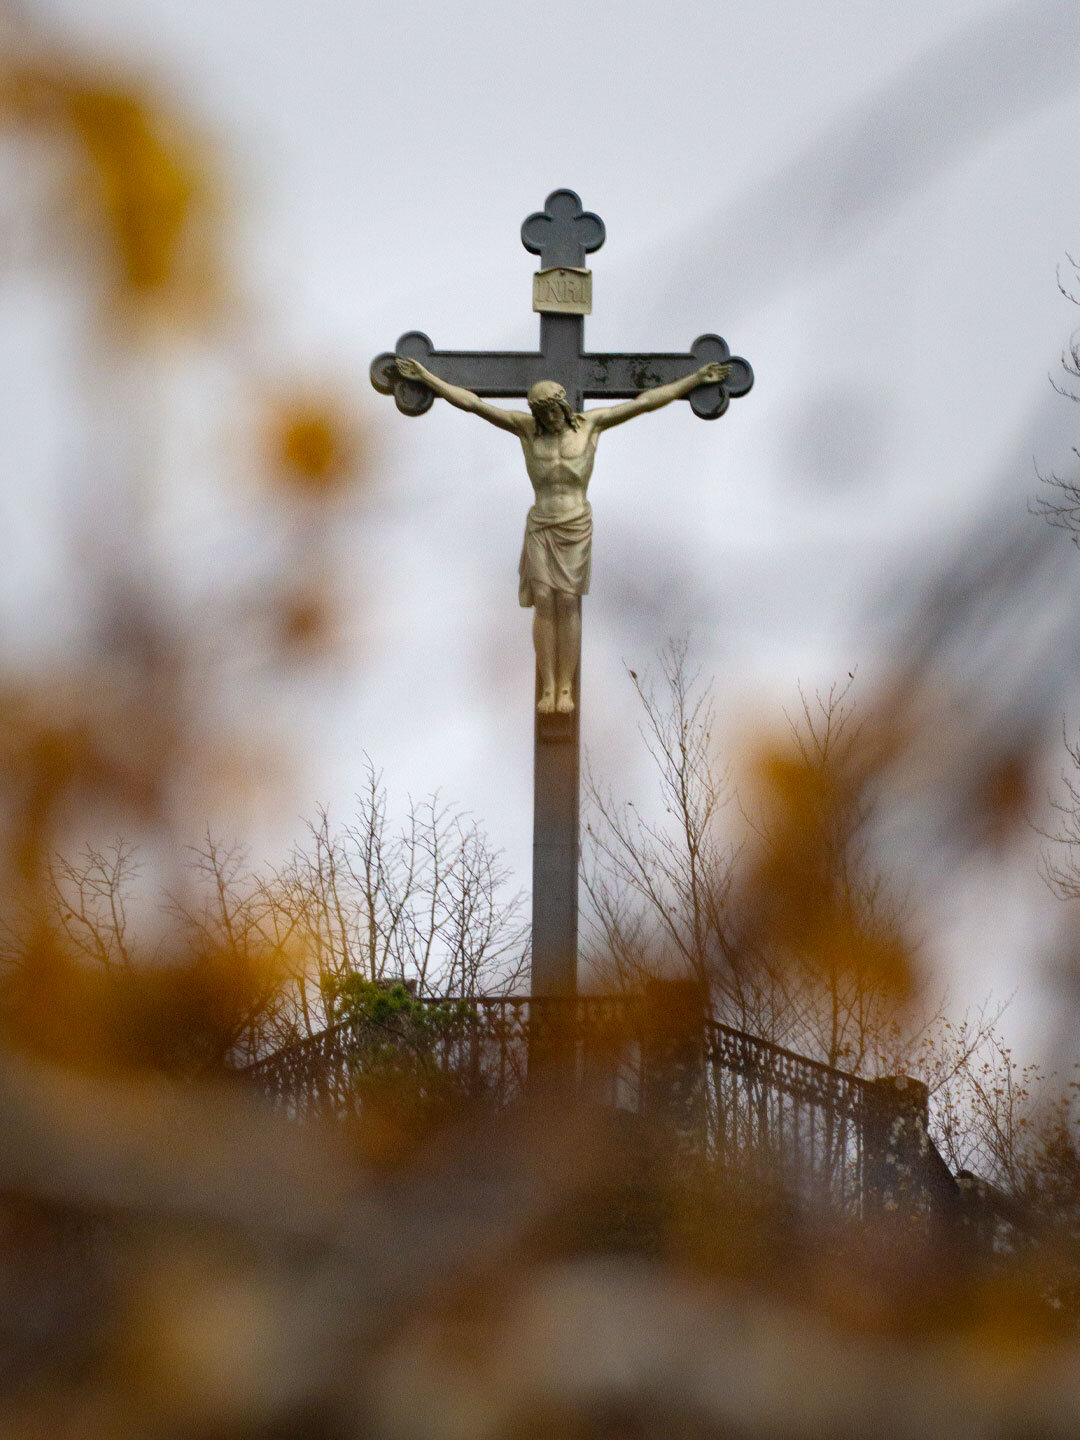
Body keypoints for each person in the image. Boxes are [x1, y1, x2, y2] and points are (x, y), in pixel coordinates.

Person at [394, 357, 728, 714]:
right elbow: (474, 404)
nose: (549, 419)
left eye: (553, 411)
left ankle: (566, 687)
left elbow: (644, 403)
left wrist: (694, 379)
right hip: (541, 523)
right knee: (543, 599)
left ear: (563, 406)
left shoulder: (590, 427)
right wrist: (428, 378)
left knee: (566, 601)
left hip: (575, 523)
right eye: (542, 414)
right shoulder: (526, 430)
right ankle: (548, 687)